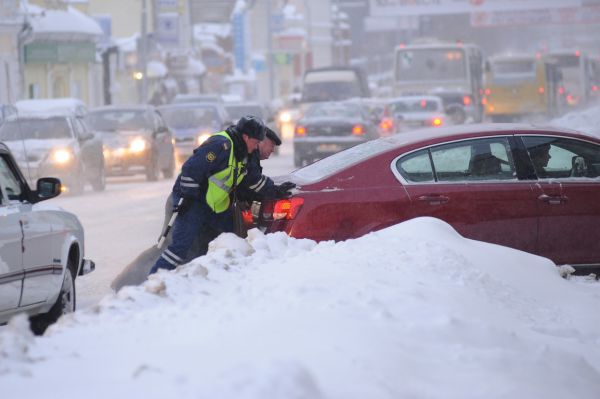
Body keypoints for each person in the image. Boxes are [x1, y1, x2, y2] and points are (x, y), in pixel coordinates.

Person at [149, 115, 266, 274]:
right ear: (246, 137)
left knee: (229, 241)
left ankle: (219, 278)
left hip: (215, 207)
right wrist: (188, 198)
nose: (257, 146)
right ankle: (154, 280)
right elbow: (191, 170)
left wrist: (276, 190)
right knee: (180, 247)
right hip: (192, 202)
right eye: (256, 142)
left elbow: (253, 180)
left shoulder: (244, 153)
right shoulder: (220, 145)